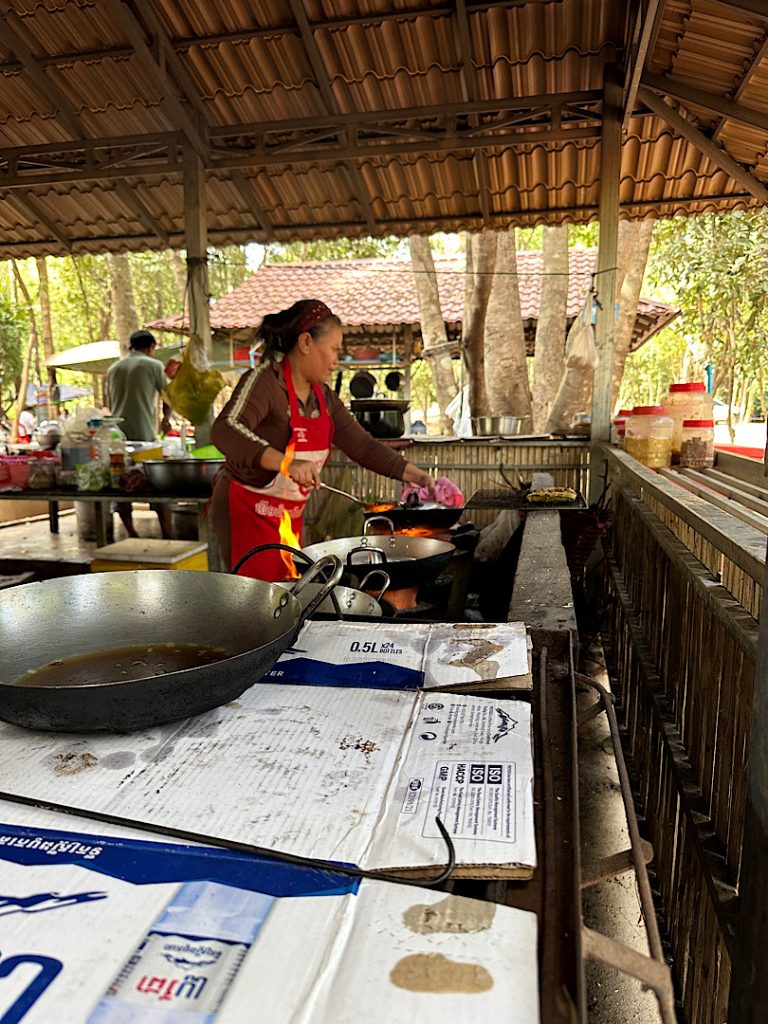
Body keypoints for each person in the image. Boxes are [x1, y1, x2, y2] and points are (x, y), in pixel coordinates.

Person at [210, 299, 434, 581]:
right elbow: (225, 429)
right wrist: (286, 463)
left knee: (286, 591)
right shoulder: (266, 381)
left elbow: (363, 447)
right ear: (306, 343)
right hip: (246, 509)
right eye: (333, 350)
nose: (336, 360)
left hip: (286, 516)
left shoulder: (324, 399)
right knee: (254, 596)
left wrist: (416, 476)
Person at [105, 328, 173, 539]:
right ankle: (167, 534)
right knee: (157, 486)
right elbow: (168, 396)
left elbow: (109, 403)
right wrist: (166, 419)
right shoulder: (153, 365)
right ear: (150, 348)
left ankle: (132, 533)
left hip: (117, 438)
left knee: (121, 484)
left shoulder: (114, 368)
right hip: (145, 436)